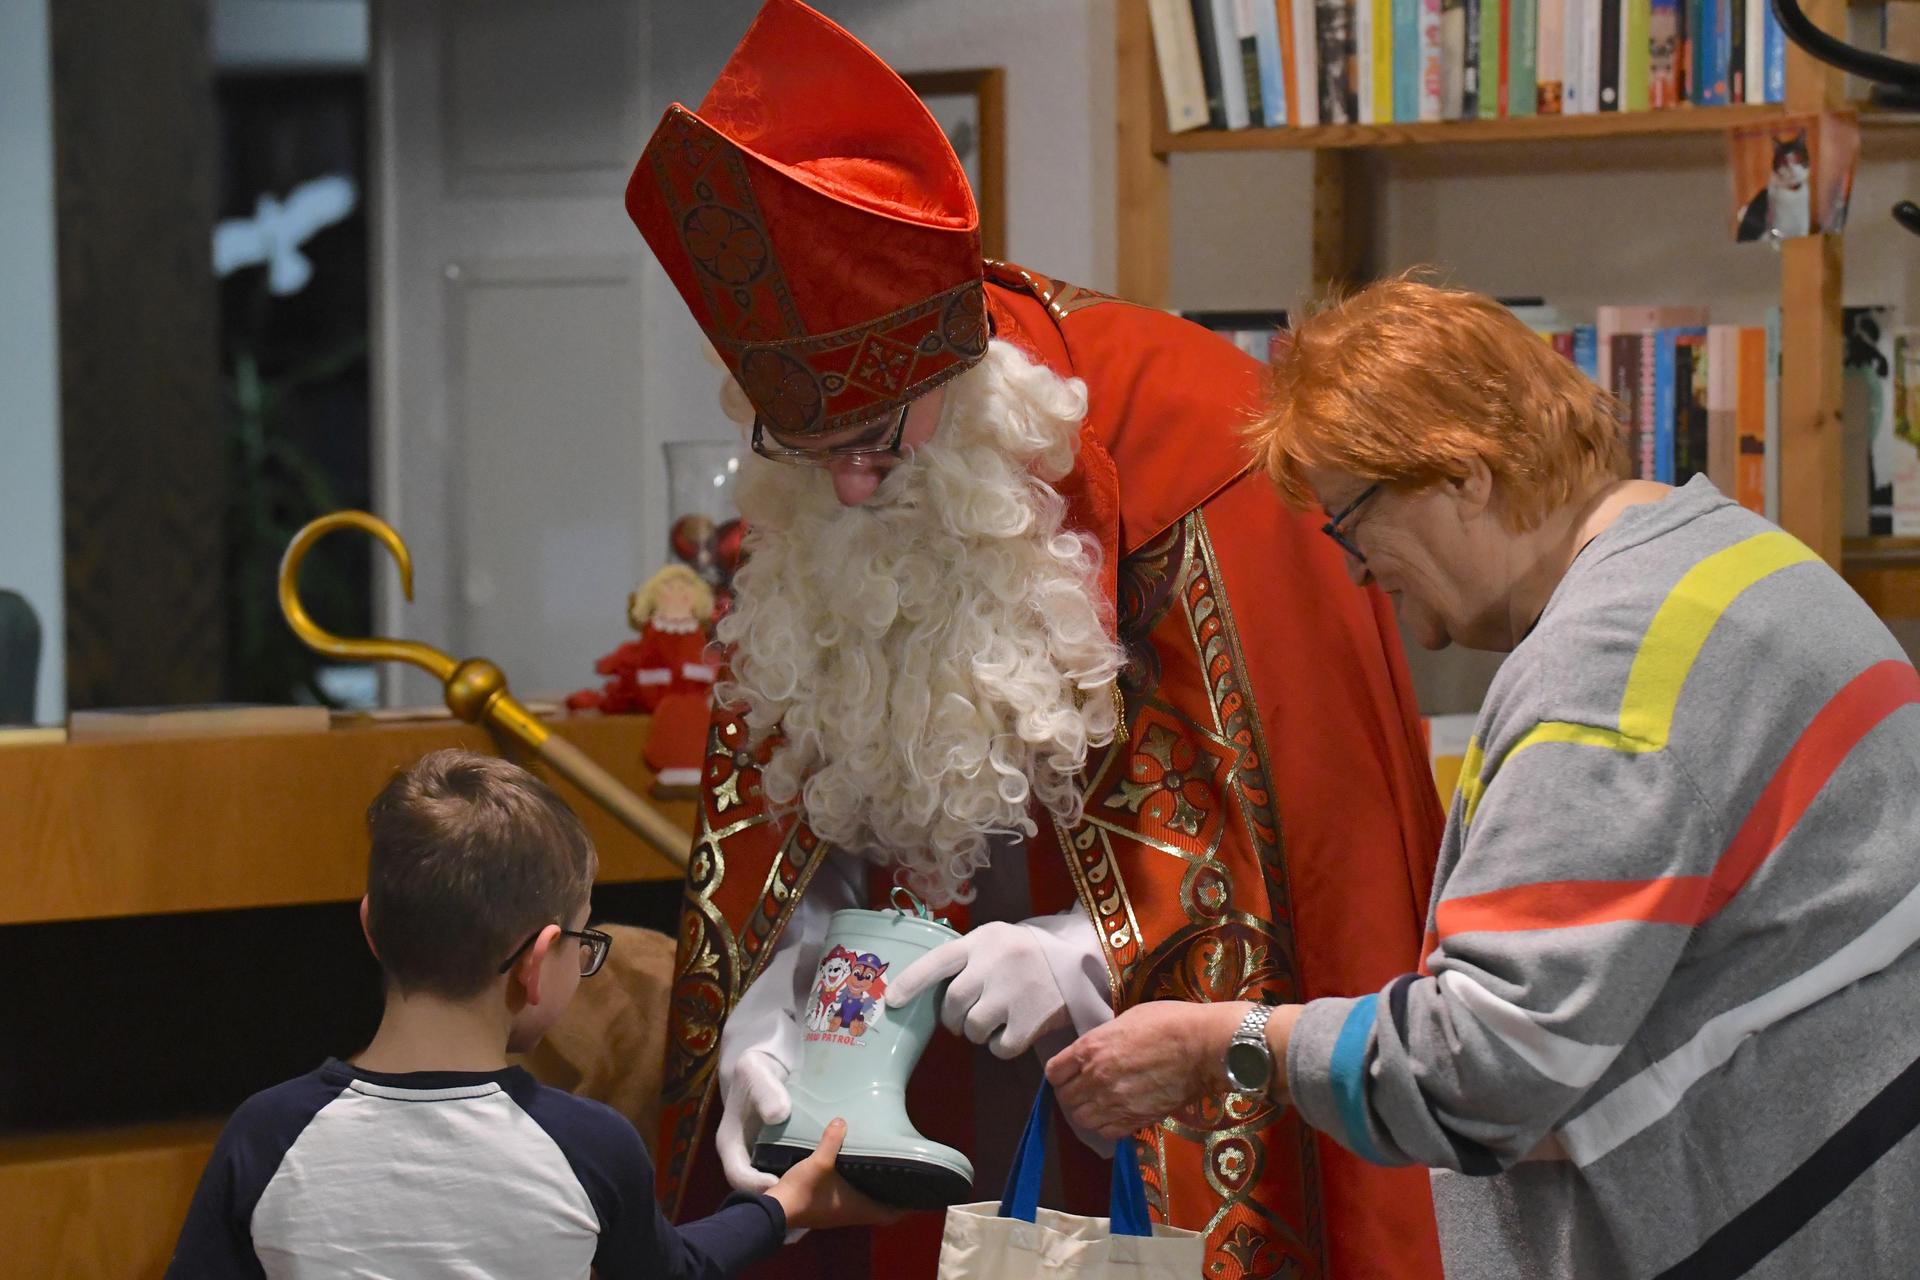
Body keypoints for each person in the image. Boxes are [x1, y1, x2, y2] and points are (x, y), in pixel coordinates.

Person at [625, 3, 1446, 1276]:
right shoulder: (820, 496)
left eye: (875, 440)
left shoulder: (1199, 449)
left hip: (1135, 1117)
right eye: (803, 444)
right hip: (905, 1106)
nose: (847, 485)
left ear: (960, 372)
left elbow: (1301, 854)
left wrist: (1087, 951)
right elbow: (792, 799)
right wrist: (773, 981)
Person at [1047, 277, 1920, 1278]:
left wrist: (1226, 1042)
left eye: (1350, 520)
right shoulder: (1736, 555)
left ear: (1461, 474)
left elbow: (1483, 1069)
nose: (1356, 570)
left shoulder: (1604, 676)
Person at [165, 749, 892, 1279]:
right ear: (539, 960)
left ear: (371, 928)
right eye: (583, 939)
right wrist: (781, 1208)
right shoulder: (588, 1146)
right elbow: (678, 1270)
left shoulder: (264, 1136)